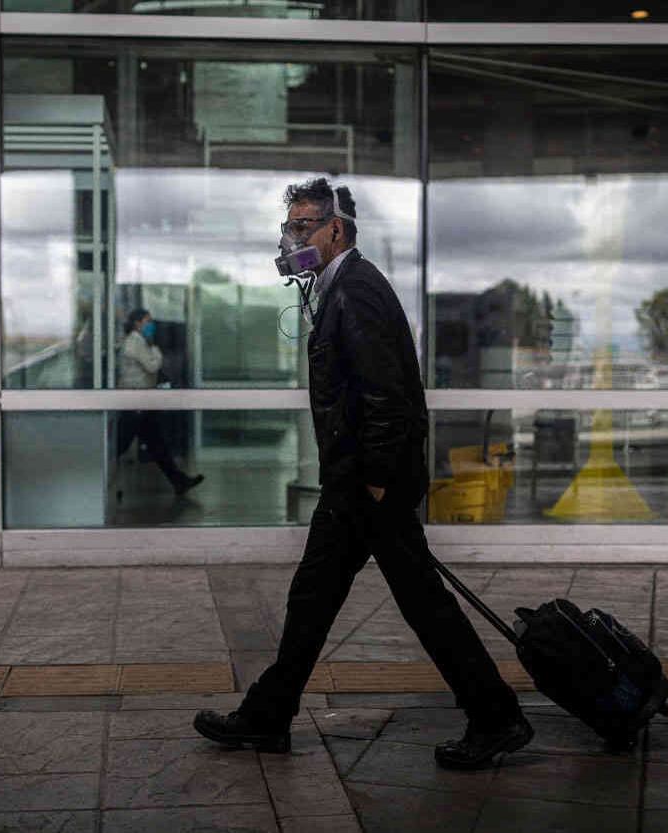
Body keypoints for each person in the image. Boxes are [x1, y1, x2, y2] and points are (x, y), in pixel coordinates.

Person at [193, 178, 532, 770]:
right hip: (356, 483)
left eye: (303, 228)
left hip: (372, 486)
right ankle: (268, 716)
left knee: (420, 604)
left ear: (336, 230)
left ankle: (497, 717)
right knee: (315, 597)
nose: (290, 238)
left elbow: (387, 394)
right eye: (289, 227)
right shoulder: (336, 287)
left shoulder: (357, 290)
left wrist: (375, 481)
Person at [116, 307, 204, 496]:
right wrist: (156, 350)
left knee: (158, 445)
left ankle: (179, 481)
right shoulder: (134, 343)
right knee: (119, 445)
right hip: (135, 404)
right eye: (148, 321)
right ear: (137, 323)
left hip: (143, 403)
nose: (151, 325)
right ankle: (90, 475)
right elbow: (152, 365)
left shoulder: (140, 341)